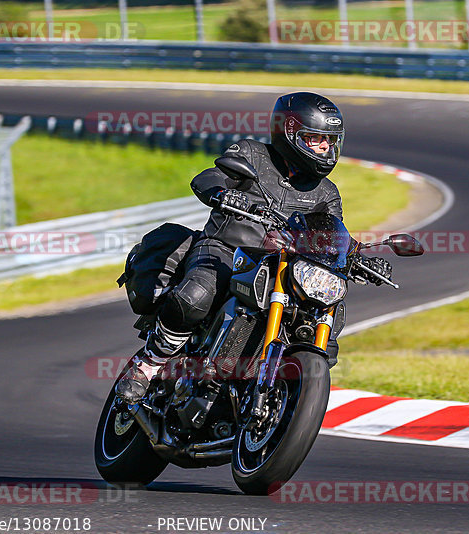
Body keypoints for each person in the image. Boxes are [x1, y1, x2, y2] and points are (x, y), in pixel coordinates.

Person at [115, 92, 391, 403]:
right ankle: (150, 364)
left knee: (326, 310)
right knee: (197, 294)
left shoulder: (326, 192)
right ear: (288, 132)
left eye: (330, 140)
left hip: (282, 267)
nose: (326, 148)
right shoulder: (252, 154)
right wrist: (222, 192)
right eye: (316, 139)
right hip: (225, 250)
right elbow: (210, 176)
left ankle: (285, 394)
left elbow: (332, 234)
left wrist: (357, 256)